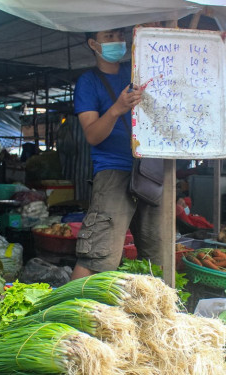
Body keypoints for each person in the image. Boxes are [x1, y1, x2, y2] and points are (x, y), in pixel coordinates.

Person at [71, 28, 161, 280]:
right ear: (93, 44)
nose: (117, 41)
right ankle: (73, 314)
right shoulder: (89, 82)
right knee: (98, 256)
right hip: (113, 172)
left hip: (150, 171)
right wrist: (117, 109)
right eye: (108, 37)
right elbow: (92, 135)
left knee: (158, 256)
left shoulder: (136, 73)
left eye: (120, 35)